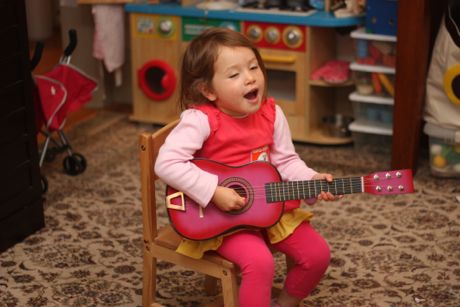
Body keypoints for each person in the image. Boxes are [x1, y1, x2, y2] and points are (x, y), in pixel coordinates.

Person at [155, 27, 341, 307]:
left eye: (253, 67)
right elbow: (166, 163)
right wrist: (214, 191)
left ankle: (284, 303)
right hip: (222, 220)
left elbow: (287, 161)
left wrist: (313, 178)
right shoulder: (200, 120)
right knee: (260, 263)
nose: (250, 77)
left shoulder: (272, 113)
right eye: (234, 74)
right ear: (207, 90)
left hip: (270, 208)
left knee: (317, 255)